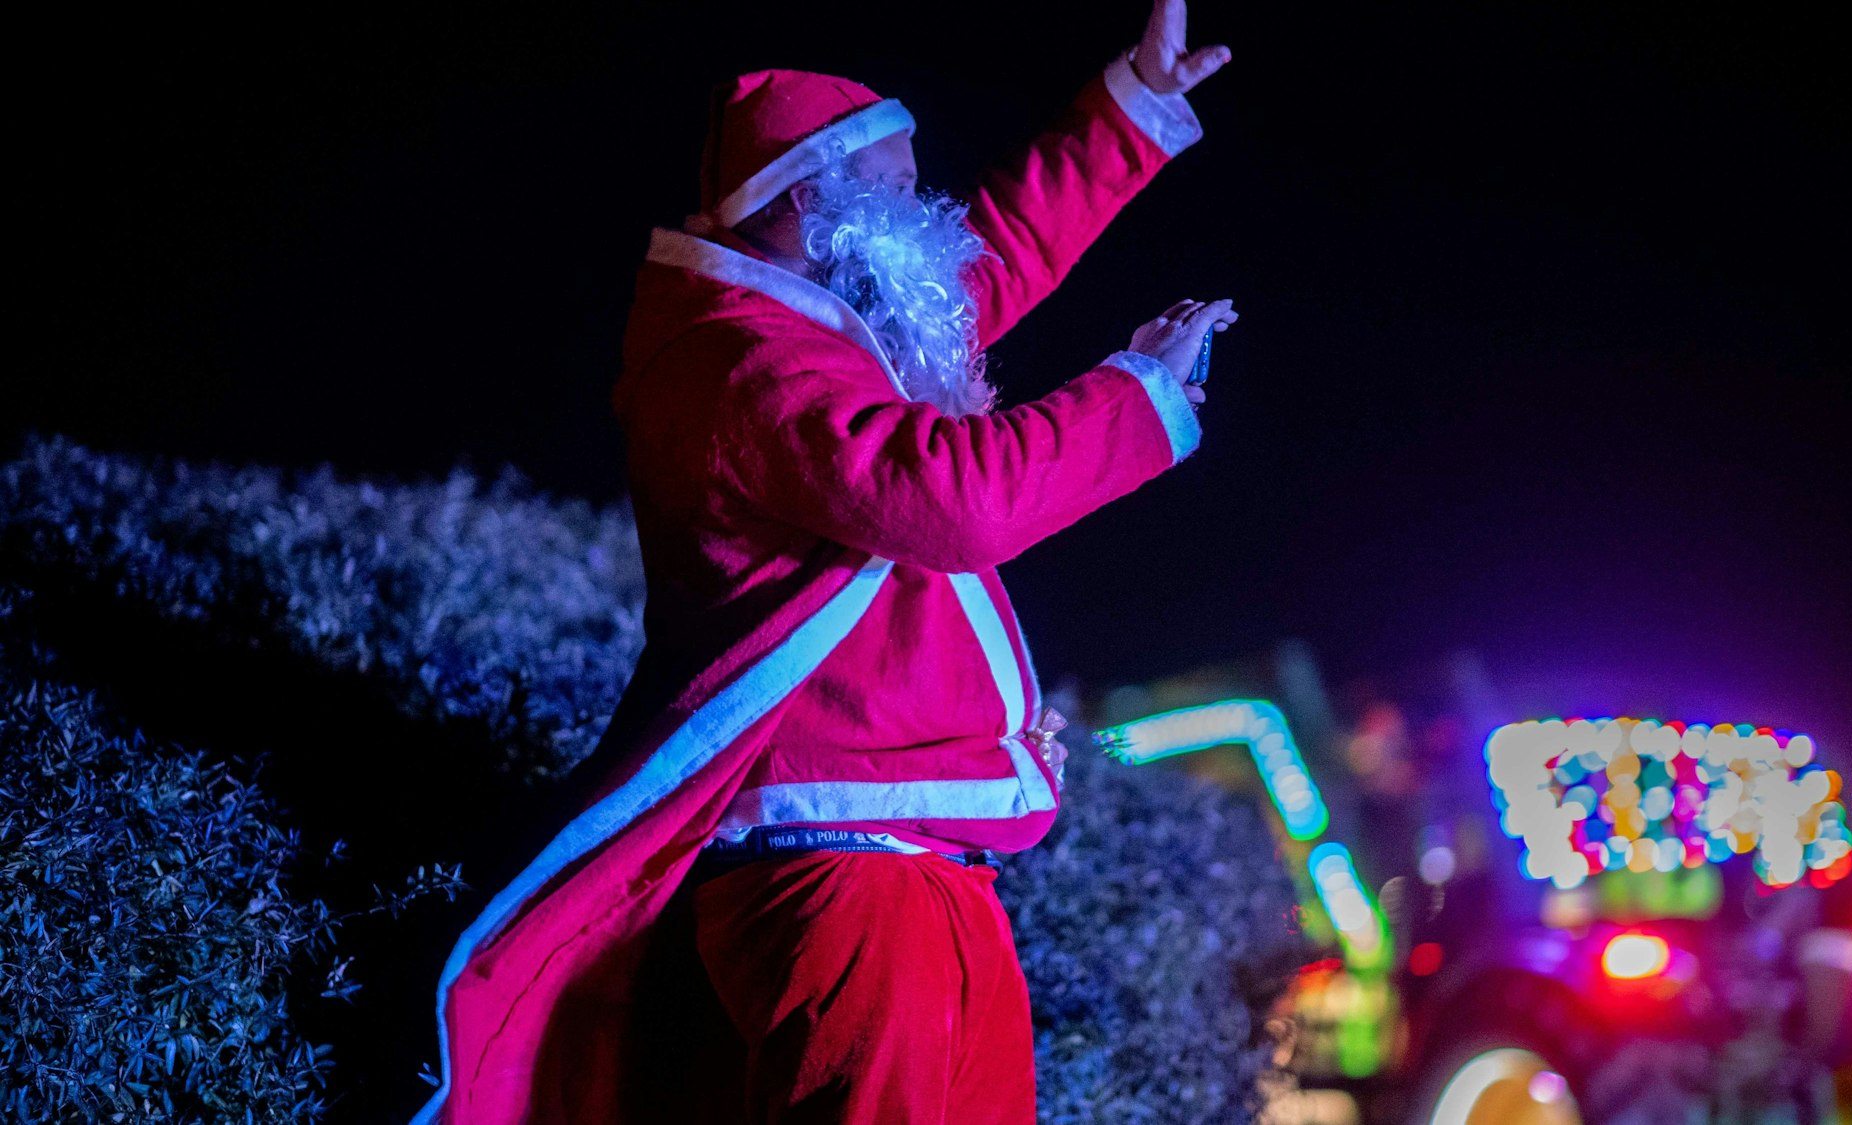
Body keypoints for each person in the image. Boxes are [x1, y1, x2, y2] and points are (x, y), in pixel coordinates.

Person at [412, 1, 1235, 1120]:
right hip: (836, 881)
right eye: (900, 194)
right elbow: (950, 497)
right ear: (814, 204)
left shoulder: (827, 335)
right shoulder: (734, 361)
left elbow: (994, 255)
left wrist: (1129, 108)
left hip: (922, 871)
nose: (928, 217)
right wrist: (1129, 396)